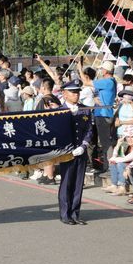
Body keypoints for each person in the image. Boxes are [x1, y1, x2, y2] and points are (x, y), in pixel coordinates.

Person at [58, 79, 94, 225]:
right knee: (66, 183)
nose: (76, 95)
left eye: (77, 92)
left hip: (80, 151)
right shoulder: (58, 111)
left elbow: (89, 130)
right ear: (64, 94)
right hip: (66, 152)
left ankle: (75, 213)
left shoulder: (85, 109)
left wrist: (83, 146)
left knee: (78, 184)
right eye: (73, 92)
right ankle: (65, 214)